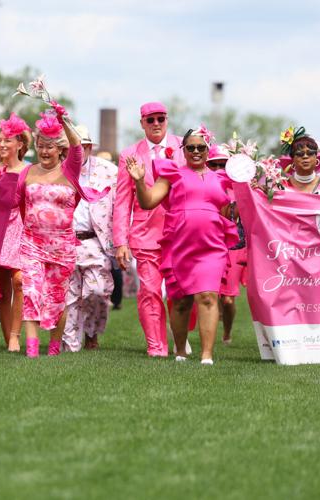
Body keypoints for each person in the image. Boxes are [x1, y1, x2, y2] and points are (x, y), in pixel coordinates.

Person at [126, 127, 238, 365]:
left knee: (208, 296)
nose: (196, 151)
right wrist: (138, 182)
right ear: (183, 150)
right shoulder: (171, 174)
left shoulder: (221, 178)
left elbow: (229, 212)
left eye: (201, 147)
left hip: (212, 246)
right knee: (181, 301)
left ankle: (207, 355)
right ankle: (180, 351)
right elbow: (147, 203)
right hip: (180, 245)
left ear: (208, 150)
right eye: (191, 147)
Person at [17, 109, 107, 358]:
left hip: (62, 246)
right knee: (32, 293)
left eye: (50, 147)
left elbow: (77, 145)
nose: (45, 151)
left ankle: (54, 349)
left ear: (60, 149)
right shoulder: (27, 172)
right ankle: (32, 350)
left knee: (57, 298)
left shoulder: (70, 170)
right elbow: (19, 204)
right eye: (41, 145)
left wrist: (62, 119)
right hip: (32, 244)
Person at [113, 102, 184, 357]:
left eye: (160, 119)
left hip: (181, 234)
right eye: (150, 119)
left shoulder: (185, 147)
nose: (156, 124)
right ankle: (157, 346)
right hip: (145, 235)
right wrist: (120, 241)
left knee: (182, 293)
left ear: (167, 119)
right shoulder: (130, 154)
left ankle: (180, 338)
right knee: (150, 291)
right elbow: (122, 201)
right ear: (141, 123)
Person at [62, 125, 117, 351]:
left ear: (88, 147)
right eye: (70, 147)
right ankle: (70, 345)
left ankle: (92, 331)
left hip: (96, 241)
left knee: (97, 291)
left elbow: (121, 207)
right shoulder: (57, 170)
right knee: (70, 297)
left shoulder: (109, 171)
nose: (76, 150)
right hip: (65, 240)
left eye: (81, 146)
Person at [0, 112, 32, 352]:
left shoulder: (29, 171)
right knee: (2, 288)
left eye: (7, 140)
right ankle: (8, 340)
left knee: (19, 282)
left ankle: (15, 336)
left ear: (20, 144)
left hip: (22, 228)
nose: (2, 144)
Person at [207, 145, 245, 345]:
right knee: (207, 294)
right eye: (215, 164)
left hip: (235, 247)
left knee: (228, 299)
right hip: (208, 245)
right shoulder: (201, 185)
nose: (219, 168)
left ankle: (227, 333)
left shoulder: (240, 188)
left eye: (224, 164)